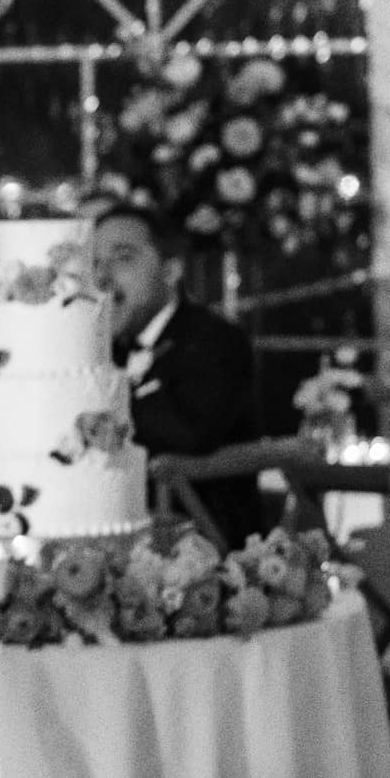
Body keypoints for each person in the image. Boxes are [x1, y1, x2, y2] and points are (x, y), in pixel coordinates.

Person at [91, 203, 264, 547]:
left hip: (204, 545)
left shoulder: (215, 340)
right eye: (95, 262)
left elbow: (189, 433)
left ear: (171, 270)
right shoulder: (100, 352)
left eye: (122, 258)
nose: (102, 278)